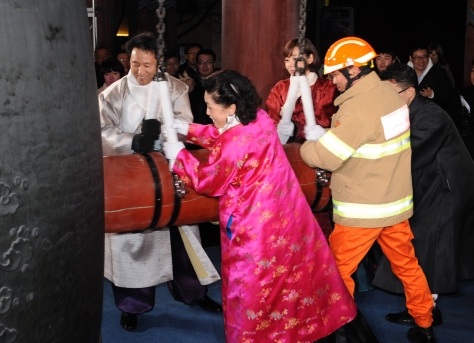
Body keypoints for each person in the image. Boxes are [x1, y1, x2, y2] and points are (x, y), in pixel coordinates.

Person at [162, 70, 356, 343]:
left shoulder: (234, 141)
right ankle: (303, 330)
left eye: (210, 107)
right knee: (292, 279)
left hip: (253, 227)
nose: (207, 112)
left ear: (231, 107)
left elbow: (208, 181)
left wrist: (179, 156)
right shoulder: (260, 118)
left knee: (252, 288)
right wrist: (189, 131)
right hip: (286, 215)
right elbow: (224, 134)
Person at [300, 37, 436, 343]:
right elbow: (371, 142)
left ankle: (336, 330)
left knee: (336, 274)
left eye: (335, 74)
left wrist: (308, 145)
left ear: (353, 69)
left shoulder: (358, 107)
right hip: (394, 205)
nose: (332, 81)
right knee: (408, 266)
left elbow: (326, 157)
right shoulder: (390, 97)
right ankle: (425, 324)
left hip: (362, 211)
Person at [98, 32, 221, 332]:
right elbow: (101, 131)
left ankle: (193, 293)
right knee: (131, 242)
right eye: (135, 64)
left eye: (148, 65)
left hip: (168, 173)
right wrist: (133, 141)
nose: (140, 71)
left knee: (182, 239)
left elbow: (182, 125)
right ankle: (132, 306)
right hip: (129, 176)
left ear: (159, 65)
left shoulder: (175, 88)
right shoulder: (112, 94)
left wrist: (160, 137)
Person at [373, 64, 474, 327]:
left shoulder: (433, 117)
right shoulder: (400, 110)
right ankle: (423, 307)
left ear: (409, 92)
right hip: (427, 183)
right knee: (420, 243)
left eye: (389, 92)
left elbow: (406, 151)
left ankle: (426, 312)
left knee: (432, 245)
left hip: (447, 187)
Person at [266, 38, 337, 144]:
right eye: (287, 60)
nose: (290, 64)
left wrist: (294, 128)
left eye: (295, 59)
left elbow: (323, 121)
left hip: (313, 150)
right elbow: (272, 119)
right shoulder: (280, 88)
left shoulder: (327, 88)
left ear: (310, 59)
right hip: (284, 150)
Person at [187, 49, 217, 125]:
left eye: (208, 62)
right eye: (201, 62)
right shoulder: (191, 83)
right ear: (197, 64)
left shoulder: (219, 83)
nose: (204, 66)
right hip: (194, 126)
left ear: (214, 64)